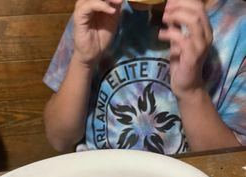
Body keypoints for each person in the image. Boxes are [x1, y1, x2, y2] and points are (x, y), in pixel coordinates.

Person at [43, 0, 245, 155]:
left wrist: (191, 92)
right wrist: (83, 61)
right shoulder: (98, 12)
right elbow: (59, 139)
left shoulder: (237, 28)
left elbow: (231, 168)